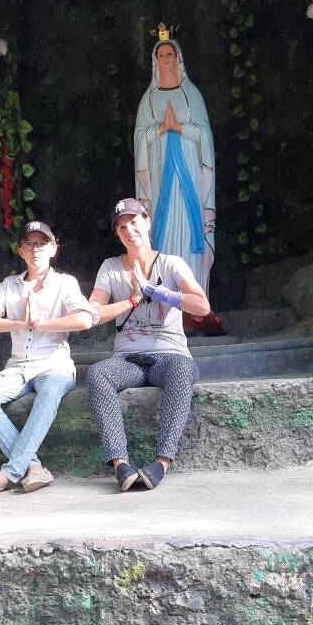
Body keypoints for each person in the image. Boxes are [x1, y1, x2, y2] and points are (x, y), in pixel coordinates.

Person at [86, 197, 211, 491]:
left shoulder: (171, 263)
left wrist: (155, 292)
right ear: (117, 235)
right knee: (97, 373)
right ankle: (121, 464)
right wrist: (132, 299)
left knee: (184, 368)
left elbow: (202, 306)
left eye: (134, 222)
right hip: (128, 360)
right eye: (121, 227)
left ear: (147, 222)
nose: (129, 231)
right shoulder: (111, 267)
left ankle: (161, 462)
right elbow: (92, 314)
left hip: (169, 355)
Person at [0, 220, 95, 497]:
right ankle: (34, 468)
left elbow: (85, 319)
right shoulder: (9, 285)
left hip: (54, 364)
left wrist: (41, 323)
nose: (35, 249)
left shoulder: (65, 283)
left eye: (42, 243)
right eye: (29, 244)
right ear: (20, 251)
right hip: (18, 366)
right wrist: (19, 323)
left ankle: (8, 475)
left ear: (53, 248)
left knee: (48, 394)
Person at [134, 35, 216, 299]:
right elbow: (139, 137)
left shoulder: (192, 95)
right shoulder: (149, 99)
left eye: (170, 54)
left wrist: (179, 127)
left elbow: (205, 134)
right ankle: (163, 294)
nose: (166, 59)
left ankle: (194, 298)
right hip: (160, 175)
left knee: (190, 225)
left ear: (178, 58)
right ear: (155, 61)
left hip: (190, 172)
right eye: (161, 55)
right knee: (163, 224)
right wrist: (159, 129)